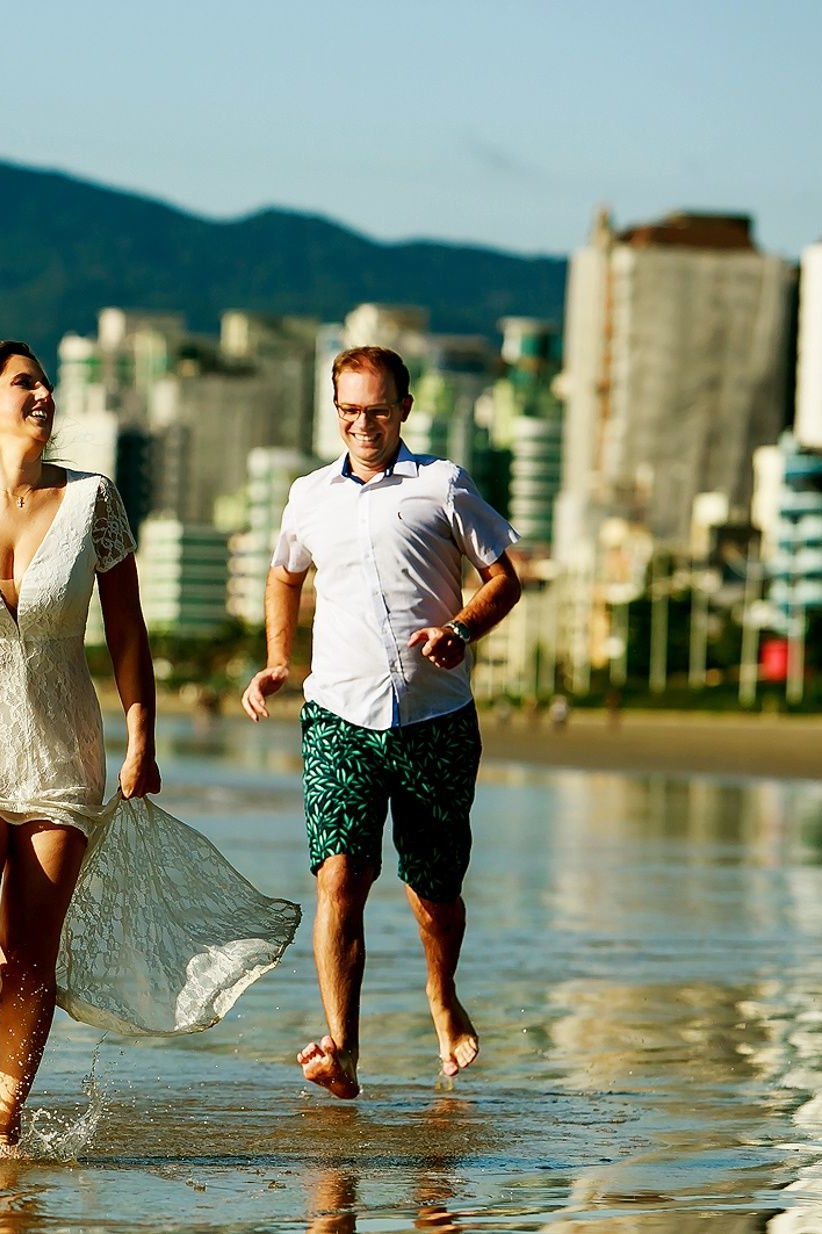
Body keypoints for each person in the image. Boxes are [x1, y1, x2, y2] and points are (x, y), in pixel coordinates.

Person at [0, 323, 298, 1153]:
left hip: (60, 752)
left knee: (31, 956)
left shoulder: (93, 501)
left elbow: (127, 629)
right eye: (25, 383)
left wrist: (142, 737)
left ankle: (3, 1126)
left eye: (46, 382)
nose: (43, 394)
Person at [241, 345, 522, 1099]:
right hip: (338, 713)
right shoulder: (308, 495)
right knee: (340, 876)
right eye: (348, 410)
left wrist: (459, 630)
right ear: (334, 410)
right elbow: (284, 574)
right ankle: (342, 1048)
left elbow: (504, 578)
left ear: (404, 408)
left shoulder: (443, 484)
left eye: (376, 410)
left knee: (434, 894)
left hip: (436, 716)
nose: (362, 424)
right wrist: (277, 659)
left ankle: (442, 994)